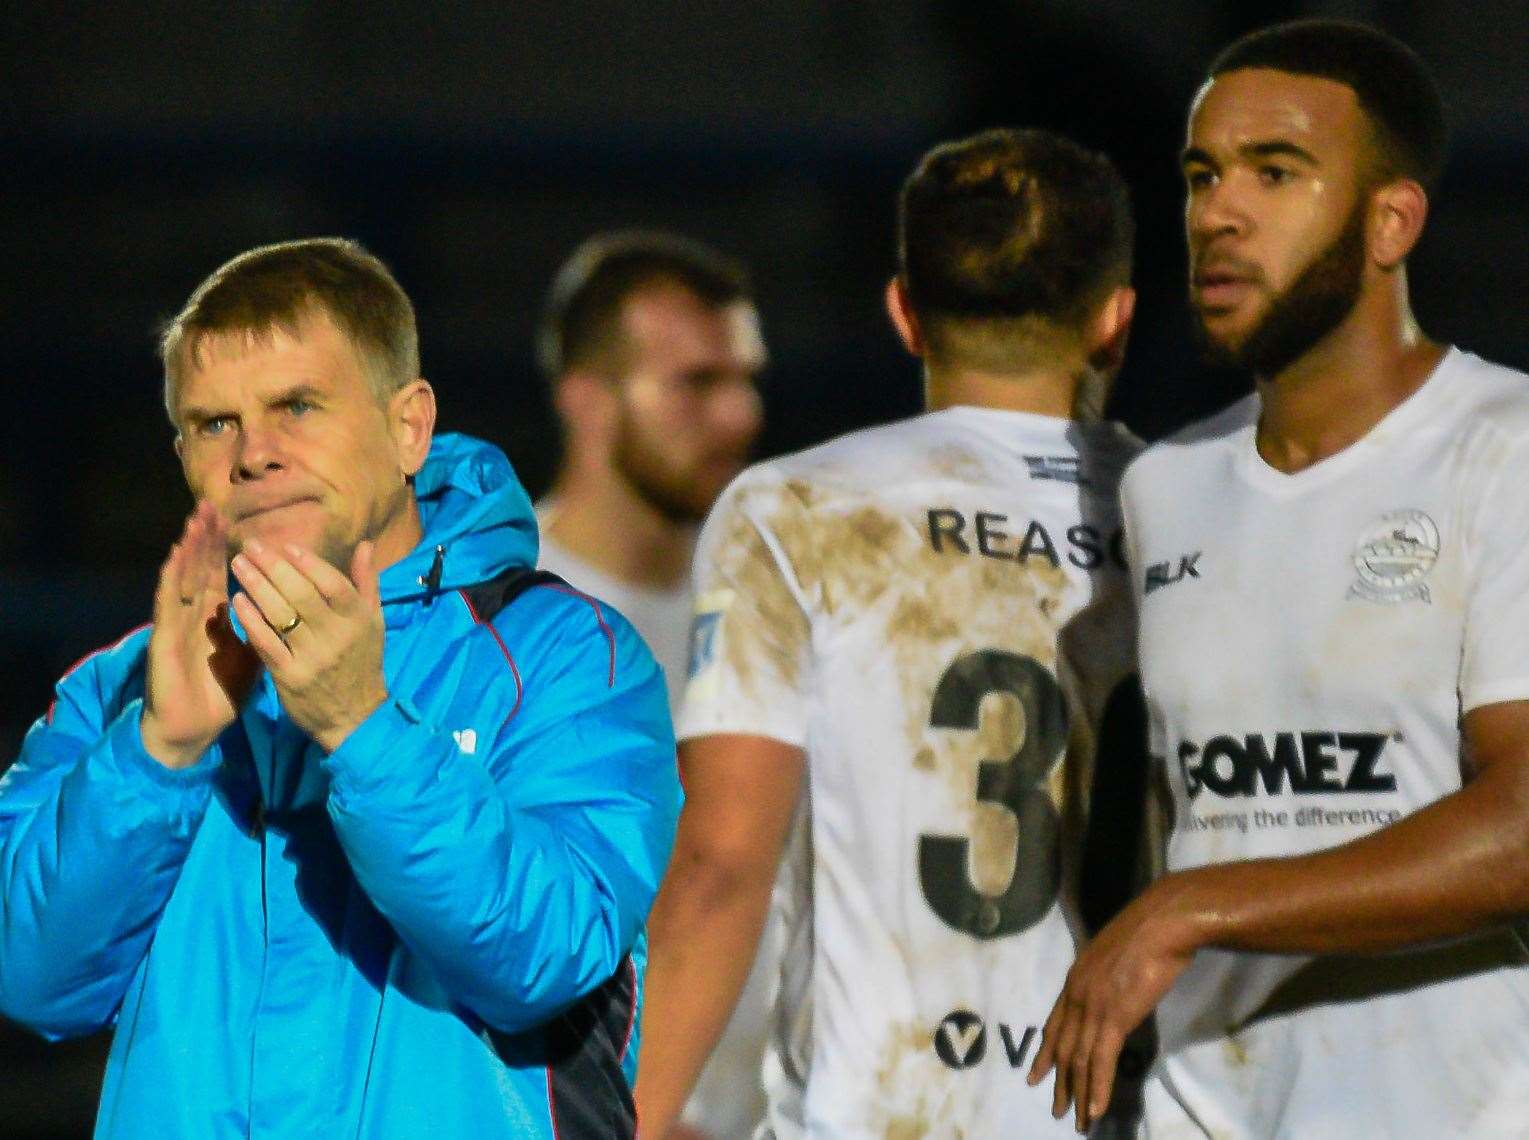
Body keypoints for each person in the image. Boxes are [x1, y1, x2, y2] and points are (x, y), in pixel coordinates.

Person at [0, 238, 681, 1138]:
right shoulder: (119, 692)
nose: (254, 456)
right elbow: (31, 977)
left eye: (296, 407)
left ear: (408, 427)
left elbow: (544, 959)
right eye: (214, 424)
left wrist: (364, 729)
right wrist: (159, 753)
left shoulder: (565, 657)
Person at [1029, 20, 1529, 1138]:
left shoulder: (1504, 448)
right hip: (1205, 1110)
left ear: (1389, 220)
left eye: (1275, 172)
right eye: (1202, 174)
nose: (1218, 212)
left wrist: (1187, 912)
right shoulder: (1165, 486)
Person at [636, 127, 1141, 1137]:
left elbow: (721, 863)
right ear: (1112, 321)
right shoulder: (1189, 512)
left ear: (904, 313)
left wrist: (628, 1119)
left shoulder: (798, 509)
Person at [535, 231, 772, 1138]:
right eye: (696, 384)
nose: (738, 415)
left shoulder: (780, 599)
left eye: (744, 378)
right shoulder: (495, 619)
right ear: (588, 403)